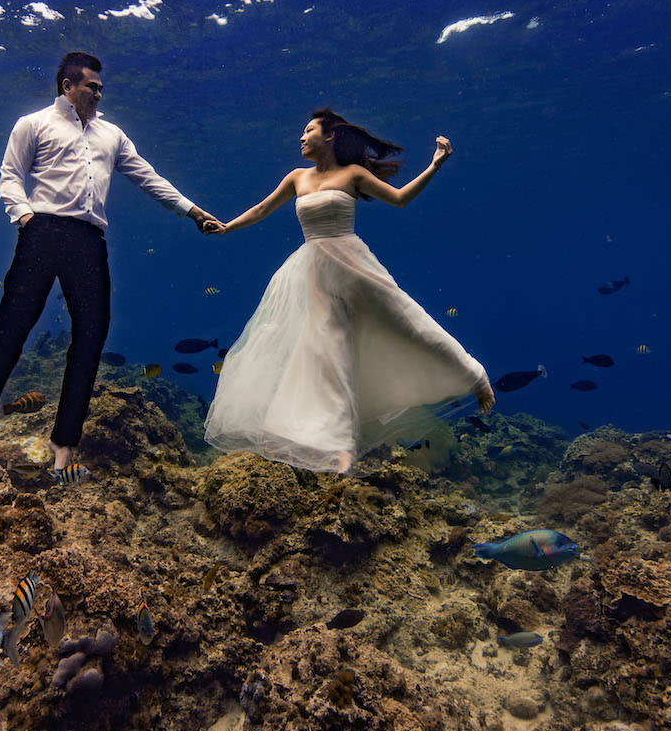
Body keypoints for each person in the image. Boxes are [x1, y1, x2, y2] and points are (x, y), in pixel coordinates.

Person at [0, 52, 219, 468]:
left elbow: (148, 177)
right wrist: (23, 215)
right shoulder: (33, 123)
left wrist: (193, 211)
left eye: (100, 87)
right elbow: (9, 175)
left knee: (92, 335)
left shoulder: (112, 134)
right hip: (40, 230)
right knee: (11, 327)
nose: (99, 93)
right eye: (92, 87)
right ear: (68, 86)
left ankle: (65, 443)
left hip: (89, 240)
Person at [203, 109, 495, 474]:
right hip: (313, 272)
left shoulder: (353, 174)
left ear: (329, 137)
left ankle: (473, 374)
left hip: (354, 264)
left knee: (406, 322)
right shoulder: (296, 177)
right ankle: (339, 444)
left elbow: (401, 198)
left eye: (308, 131)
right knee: (330, 354)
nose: (301, 137)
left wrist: (435, 165)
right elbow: (263, 209)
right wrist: (227, 227)